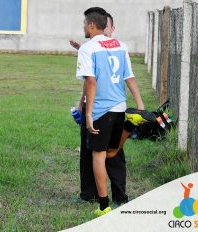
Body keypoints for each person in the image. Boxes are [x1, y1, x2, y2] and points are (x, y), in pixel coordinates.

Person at [76, 8, 153, 216]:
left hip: (101, 111)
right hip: (120, 108)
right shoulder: (120, 45)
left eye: (85, 24)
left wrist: (89, 114)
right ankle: (129, 124)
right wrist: (140, 103)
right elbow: (129, 75)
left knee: (99, 156)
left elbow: (91, 82)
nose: (83, 27)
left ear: (92, 26)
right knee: (113, 152)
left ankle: (103, 205)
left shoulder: (88, 48)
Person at [70, 9, 128, 207]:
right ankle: (89, 193)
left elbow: (115, 78)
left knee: (113, 155)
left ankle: (119, 197)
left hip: (109, 108)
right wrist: (82, 102)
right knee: (89, 150)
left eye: (109, 27)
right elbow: (89, 80)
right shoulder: (92, 48)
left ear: (111, 28)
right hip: (94, 105)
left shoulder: (118, 49)